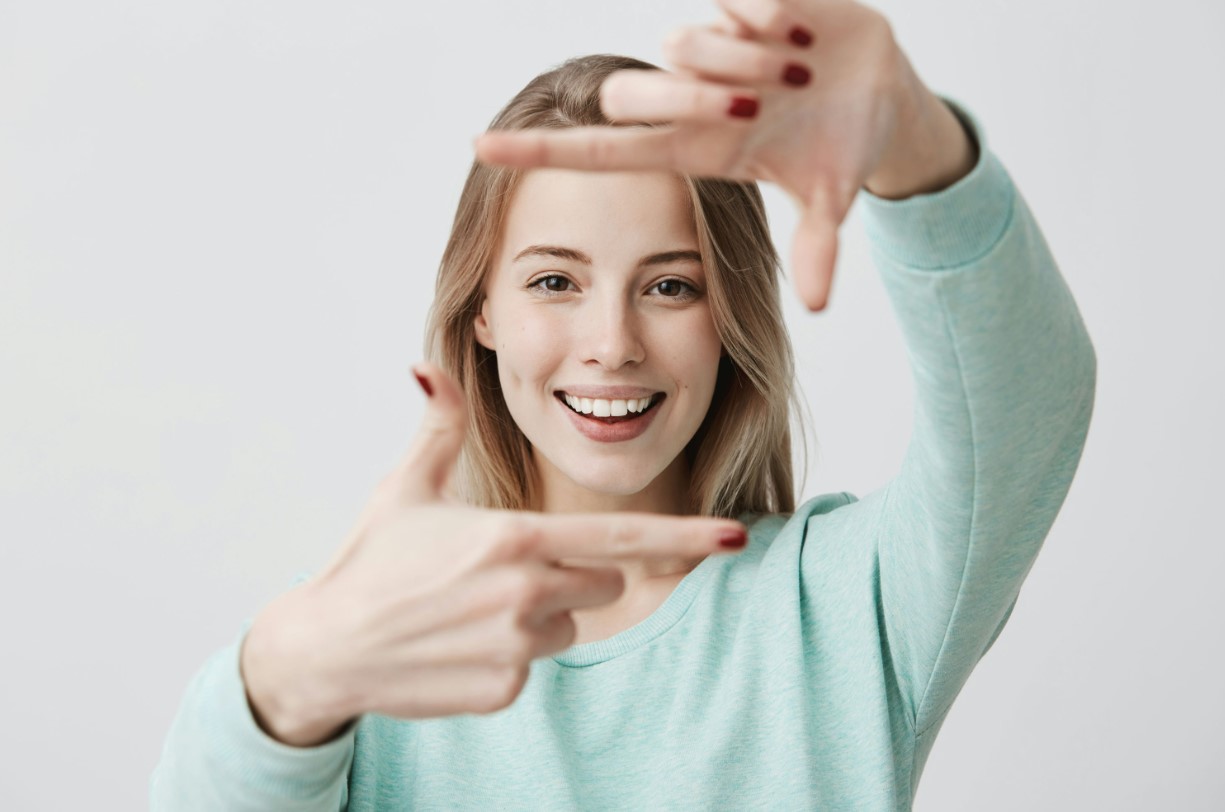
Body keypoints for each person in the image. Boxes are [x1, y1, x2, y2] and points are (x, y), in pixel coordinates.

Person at [150, 0, 1097, 809]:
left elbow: (1025, 408)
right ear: (482, 311)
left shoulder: (845, 605)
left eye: (671, 286)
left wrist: (912, 143)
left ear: (728, 315)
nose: (612, 342)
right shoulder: (371, 637)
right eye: (555, 281)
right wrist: (280, 677)